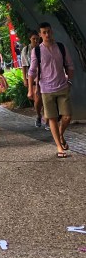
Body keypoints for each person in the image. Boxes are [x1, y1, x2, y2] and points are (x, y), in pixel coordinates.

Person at [28, 22, 74, 158]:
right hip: (46, 89)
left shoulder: (61, 47)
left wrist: (69, 81)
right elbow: (32, 71)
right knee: (52, 118)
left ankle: (60, 134)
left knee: (67, 117)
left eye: (49, 31)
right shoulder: (37, 51)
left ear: (51, 31)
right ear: (40, 34)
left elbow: (70, 65)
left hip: (62, 86)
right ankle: (59, 147)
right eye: (44, 32)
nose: (47, 34)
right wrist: (30, 89)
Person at [21, 31, 43, 128]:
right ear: (30, 39)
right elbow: (24, 65)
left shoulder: (43, 48)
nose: (35, 40)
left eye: (37, 39)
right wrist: (25, 79)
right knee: (37, 99)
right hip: (32, 77)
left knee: (46, 98)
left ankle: (47, 118)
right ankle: (38, 115)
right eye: (33, 39)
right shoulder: (26, 50)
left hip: (43, 76)